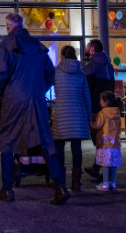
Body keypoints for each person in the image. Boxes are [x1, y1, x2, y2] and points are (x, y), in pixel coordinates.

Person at [0, 13, 69, 205]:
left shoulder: (7, 45)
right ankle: (60, 187)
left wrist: (4, 91)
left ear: (8, 27)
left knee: (7, 141)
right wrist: (39, 90)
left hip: (15, 100)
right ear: (22, 25)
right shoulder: (38, 47)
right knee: (45, 142)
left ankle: (7, 189)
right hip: (36, 100)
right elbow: (50, 73)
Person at [52, 45, 91, 192]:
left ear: (61, 55)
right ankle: (76, 183)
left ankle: (61, 183)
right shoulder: (80, 74)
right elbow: (86, 96)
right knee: (76, 149)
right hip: (78, 115)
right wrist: (88, 118)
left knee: (59, 148)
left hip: (62, 114)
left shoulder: (56, 72)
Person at [82, 39, 115, 182]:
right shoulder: (109, 66)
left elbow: (87, 90)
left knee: (99, 140)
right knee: (105, 139)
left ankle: (103, 170)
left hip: (95, 108)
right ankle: (97, 167)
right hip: (109, 108)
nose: (86, 48)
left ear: (92, 49)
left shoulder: (90, 67)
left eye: (87, 46)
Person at [90, 91, 122, 191]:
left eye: (101, 100)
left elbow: (98, 125)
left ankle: (105, 184)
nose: (100, 101)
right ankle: (113, 183)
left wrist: (91, 124)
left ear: (106, 101)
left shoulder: (103, 112)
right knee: (113, 164)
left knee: (105, 163)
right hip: (115, 143)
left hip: (105, 143)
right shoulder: (117, 112)